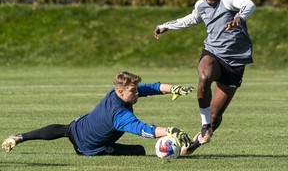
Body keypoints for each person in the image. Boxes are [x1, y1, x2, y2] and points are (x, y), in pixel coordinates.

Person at [154, 0, 256, 154]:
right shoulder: (201, 5)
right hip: (213, 53)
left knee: (216, 116)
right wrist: (166, 26)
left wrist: (240, 17)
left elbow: (249, 4)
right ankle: (204, 125)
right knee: (204, 75)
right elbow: (192, 19)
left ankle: (198, 141)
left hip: (235, 62)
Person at [2, 71, 194, 156]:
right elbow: (143, 129)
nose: (137, 92)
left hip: (78, 126)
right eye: (133, 91)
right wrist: (170, 130)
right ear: (121, 91)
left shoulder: (116, 93)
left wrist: (174, 88)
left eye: (136, 89)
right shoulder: (119, 116)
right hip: (88, 148)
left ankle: (19, 137)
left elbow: (151, 88)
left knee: (63, 129)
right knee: (139, 150)